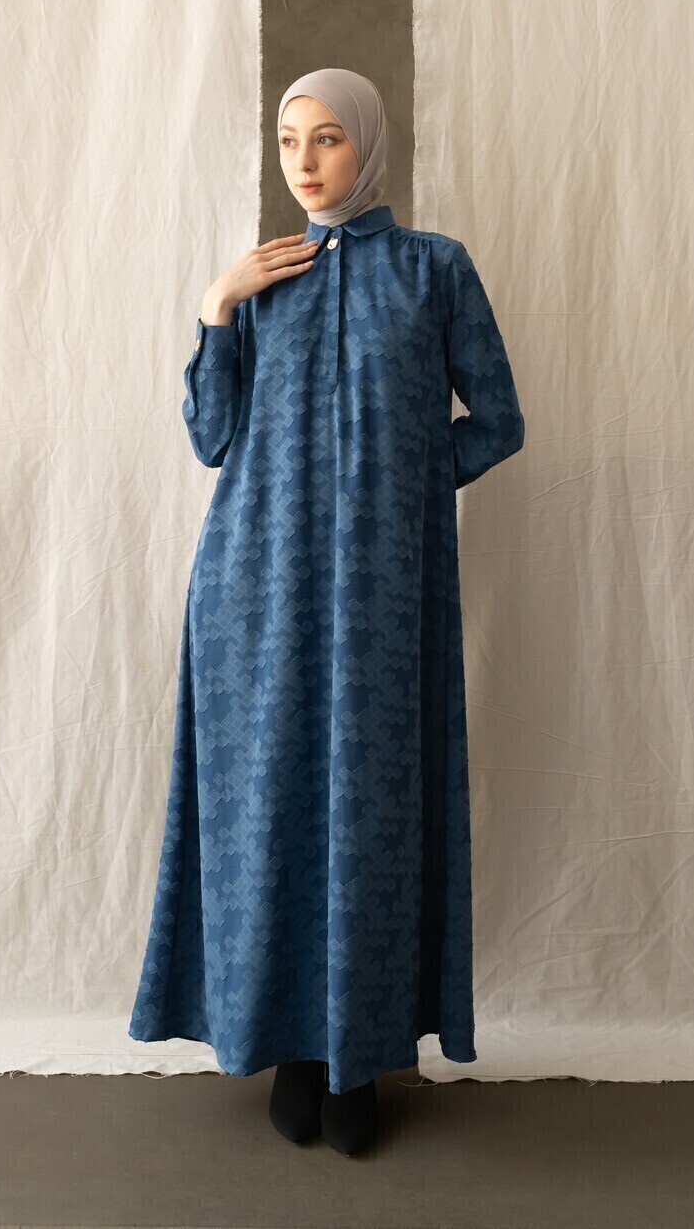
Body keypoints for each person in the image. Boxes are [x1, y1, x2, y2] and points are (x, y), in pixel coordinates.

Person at [128, 68, 526, 1156]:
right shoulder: (265, 280)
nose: (304, 163)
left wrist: (405, 490)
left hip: (384, 601)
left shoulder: (433, 269)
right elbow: (212, 437)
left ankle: (358, 1055)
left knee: (369, 814)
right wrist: (216, 307)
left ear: (369, 147)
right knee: (271, 815)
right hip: (253, 592)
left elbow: (497, 420)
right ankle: (289, 1051)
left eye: (329, 139)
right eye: (288, 140)